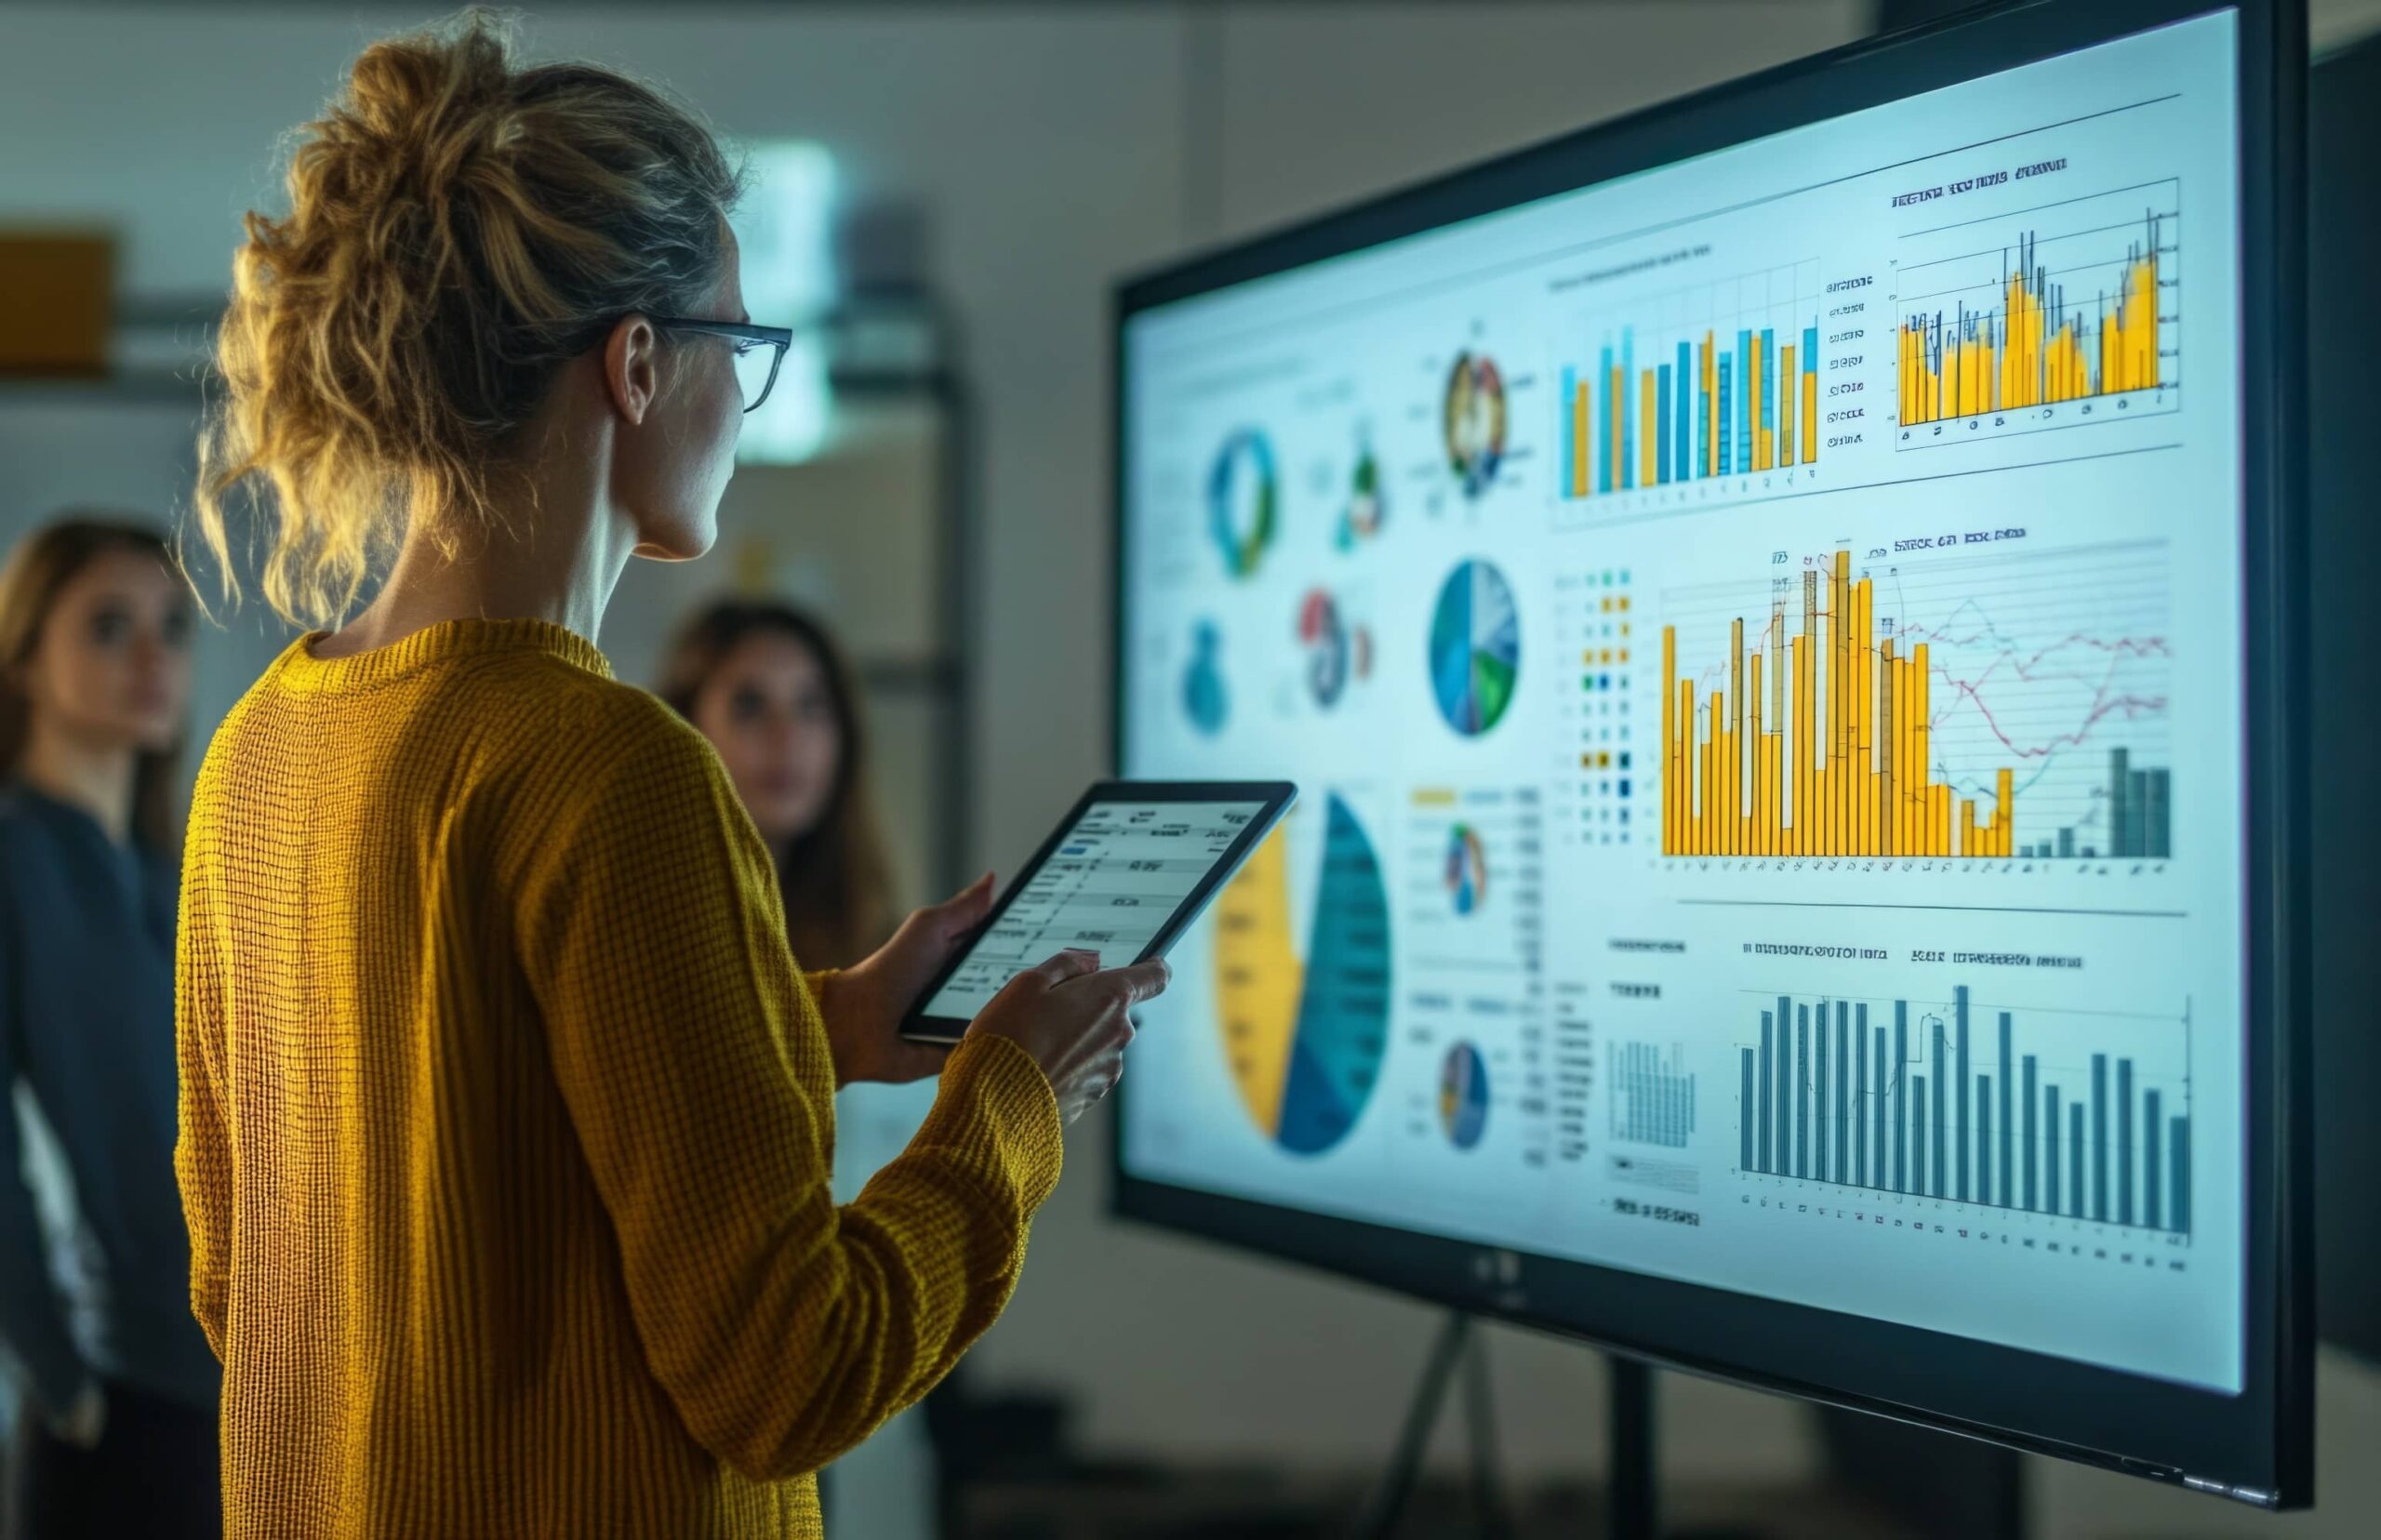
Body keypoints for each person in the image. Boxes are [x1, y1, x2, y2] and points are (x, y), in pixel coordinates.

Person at [174, 15, 1163, 1537]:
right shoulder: (613, 769)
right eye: (741, 347)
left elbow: (267, 1268)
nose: (744, 408)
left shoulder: (262, 749)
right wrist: (1009, 1105)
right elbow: (788, 1379)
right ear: (636, 364)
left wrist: (814, 1022)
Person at [0, 518, 219, 1537]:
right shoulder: (15, 863)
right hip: (111, 1407)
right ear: (24, 659)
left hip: (234, 1390)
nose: (152, 656)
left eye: (172, 627)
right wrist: (55, 1367)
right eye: (108, 626)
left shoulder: (177, 875)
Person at [658, 600, 897, 971]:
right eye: (750, 705)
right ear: (685, 726)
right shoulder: (655, 922)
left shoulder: (874, 931)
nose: (786, 738)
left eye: (810, 705)